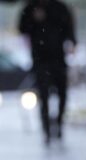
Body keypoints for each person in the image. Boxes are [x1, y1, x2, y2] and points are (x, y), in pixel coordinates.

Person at [18, 0, 77, 143]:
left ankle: (59, 123)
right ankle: (46, 130)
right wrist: (33, 18)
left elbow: (69, 29)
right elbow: (22, 29)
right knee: (43, 96)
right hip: (40, 61)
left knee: (62, 93)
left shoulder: (59, 8)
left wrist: (73, 43)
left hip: (58, 58)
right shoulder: (31, 8)